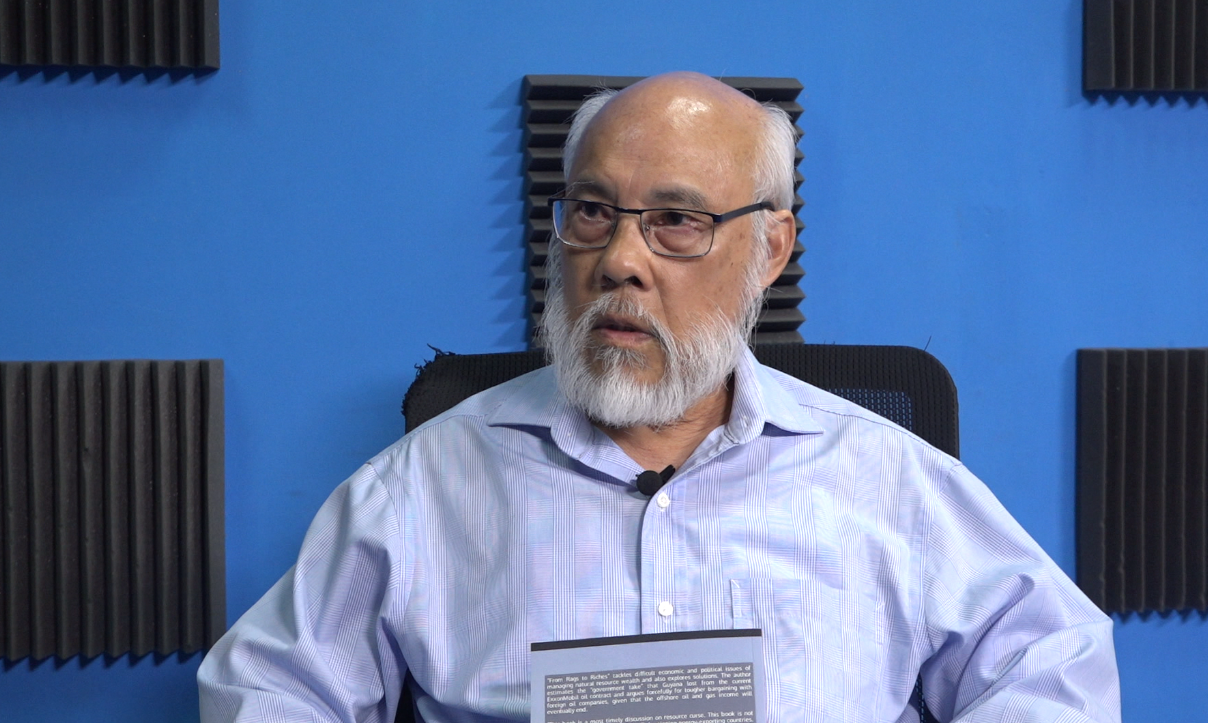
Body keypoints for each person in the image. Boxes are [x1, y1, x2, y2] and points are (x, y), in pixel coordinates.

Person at [198, 72, 1121, 722]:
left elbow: (1052, 667)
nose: (619, 260)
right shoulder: (421, 487)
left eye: (676, 221)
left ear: (770, 249)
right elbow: (269, 690)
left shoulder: (887, 479)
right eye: (593, 212)